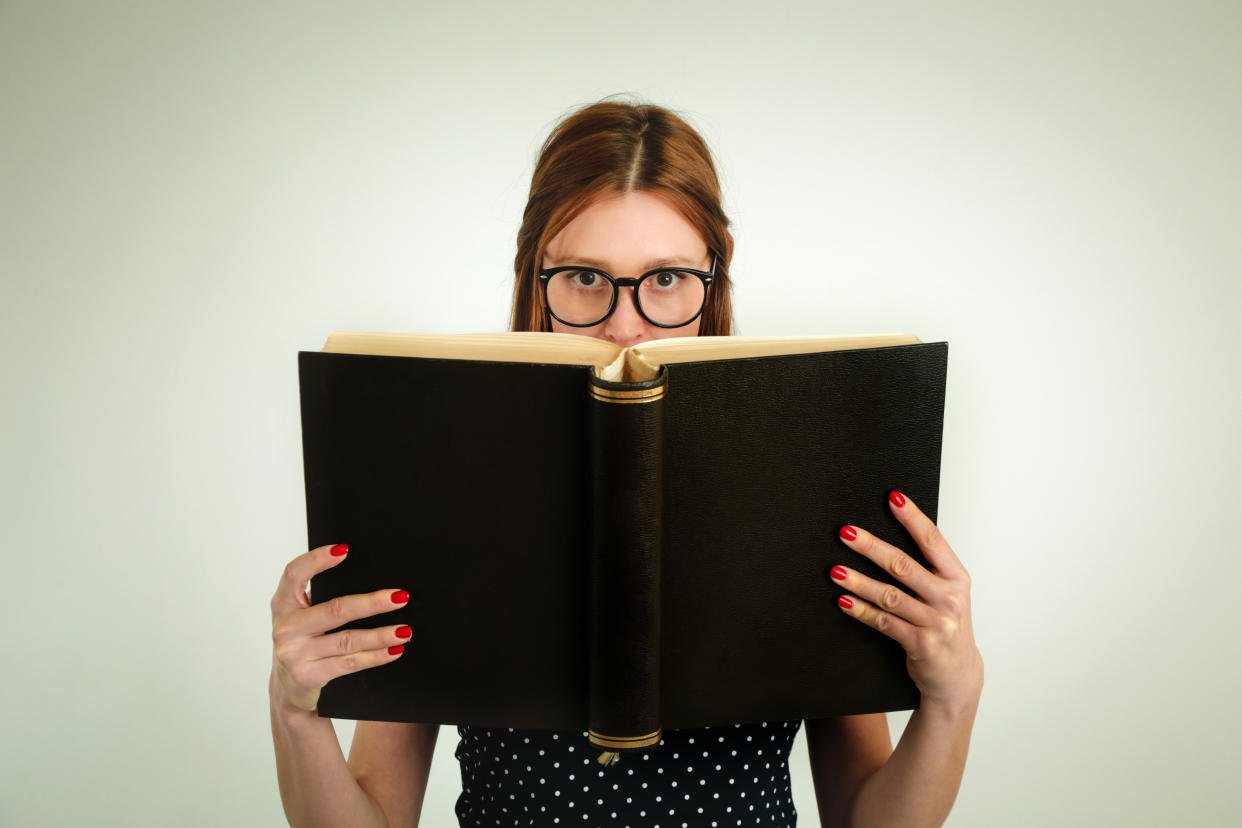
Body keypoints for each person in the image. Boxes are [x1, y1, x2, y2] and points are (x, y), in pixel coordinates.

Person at [270, 97, 984, 828]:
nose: (624, 322)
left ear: (714, 282)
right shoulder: (444, 473)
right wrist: (296, 712)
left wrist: (953, 699)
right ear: (534, 278)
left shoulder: (800, 473)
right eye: (584, 277)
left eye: (667, 279)